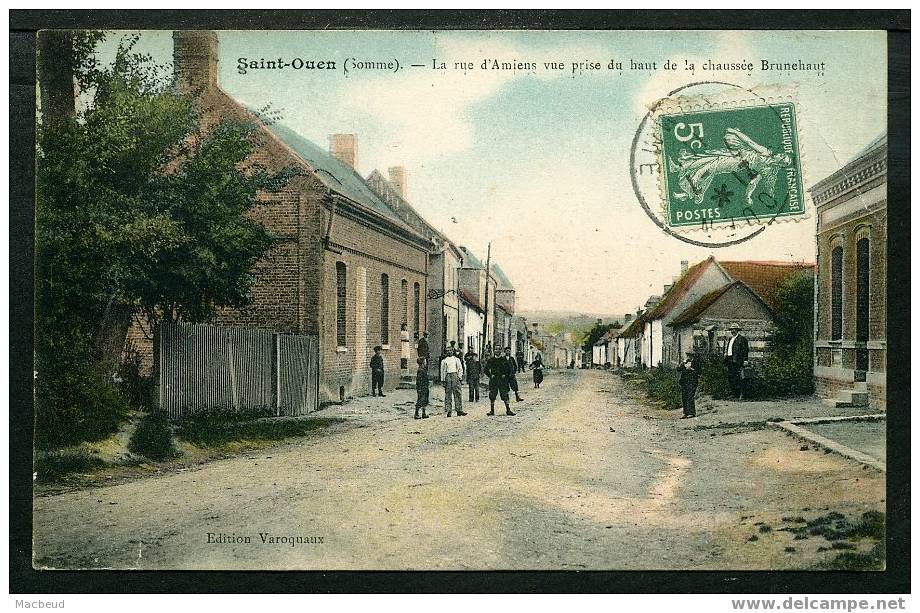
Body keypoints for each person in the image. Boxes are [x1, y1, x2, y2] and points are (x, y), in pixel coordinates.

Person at [484, 347, 514, 416]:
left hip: (502, 381)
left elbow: (510, 369)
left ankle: (508, 410)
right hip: (494, 381)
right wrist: (490, 375)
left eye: (499, 349)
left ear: (501, 351)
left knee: (505, 395)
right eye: (496, 349)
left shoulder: (504, 360)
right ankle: (492, 411)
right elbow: (486, 370)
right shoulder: (491, 360)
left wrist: (505, 375)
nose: (497, 351)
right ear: (494, 350)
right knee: (492, 395)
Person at [724, 322, 750, 399]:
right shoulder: (730, 339)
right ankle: (734, 393)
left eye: (734, 329)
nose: (733, 331)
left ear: (737, 330)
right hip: (730, 360)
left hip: (737, 360)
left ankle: (742, 394)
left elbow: (745, 350)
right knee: (731, 377)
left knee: (740, 377)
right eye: (732, 330)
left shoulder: (742, 339)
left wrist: (745, 360)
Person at [440, 348, 467, 417]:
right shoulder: (444, 361)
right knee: (448, 393)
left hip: (455, 375)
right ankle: (449, 410)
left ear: (453, 351)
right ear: (446, 352)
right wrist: (443, 380)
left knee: (458, 393)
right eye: (448, 351)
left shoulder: (456, 359)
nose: (449, 352)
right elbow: (442, 371)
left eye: (451, 351)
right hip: (448, 376)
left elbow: (460, 368)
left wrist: (459, 377)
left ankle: (459, 410)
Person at [677, 350, 701, 418]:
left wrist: (691, 369)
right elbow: (678, 369)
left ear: (693, 356)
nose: (688, 356)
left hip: (692, 382)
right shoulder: (685, 362)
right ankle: (686, 413)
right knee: (684, 397)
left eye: (690, 355)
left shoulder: (696, 363)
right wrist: (682, 363)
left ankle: (691, 413)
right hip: (684, 382)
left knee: (690, 396)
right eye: (687, 355)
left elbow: (699, 372)